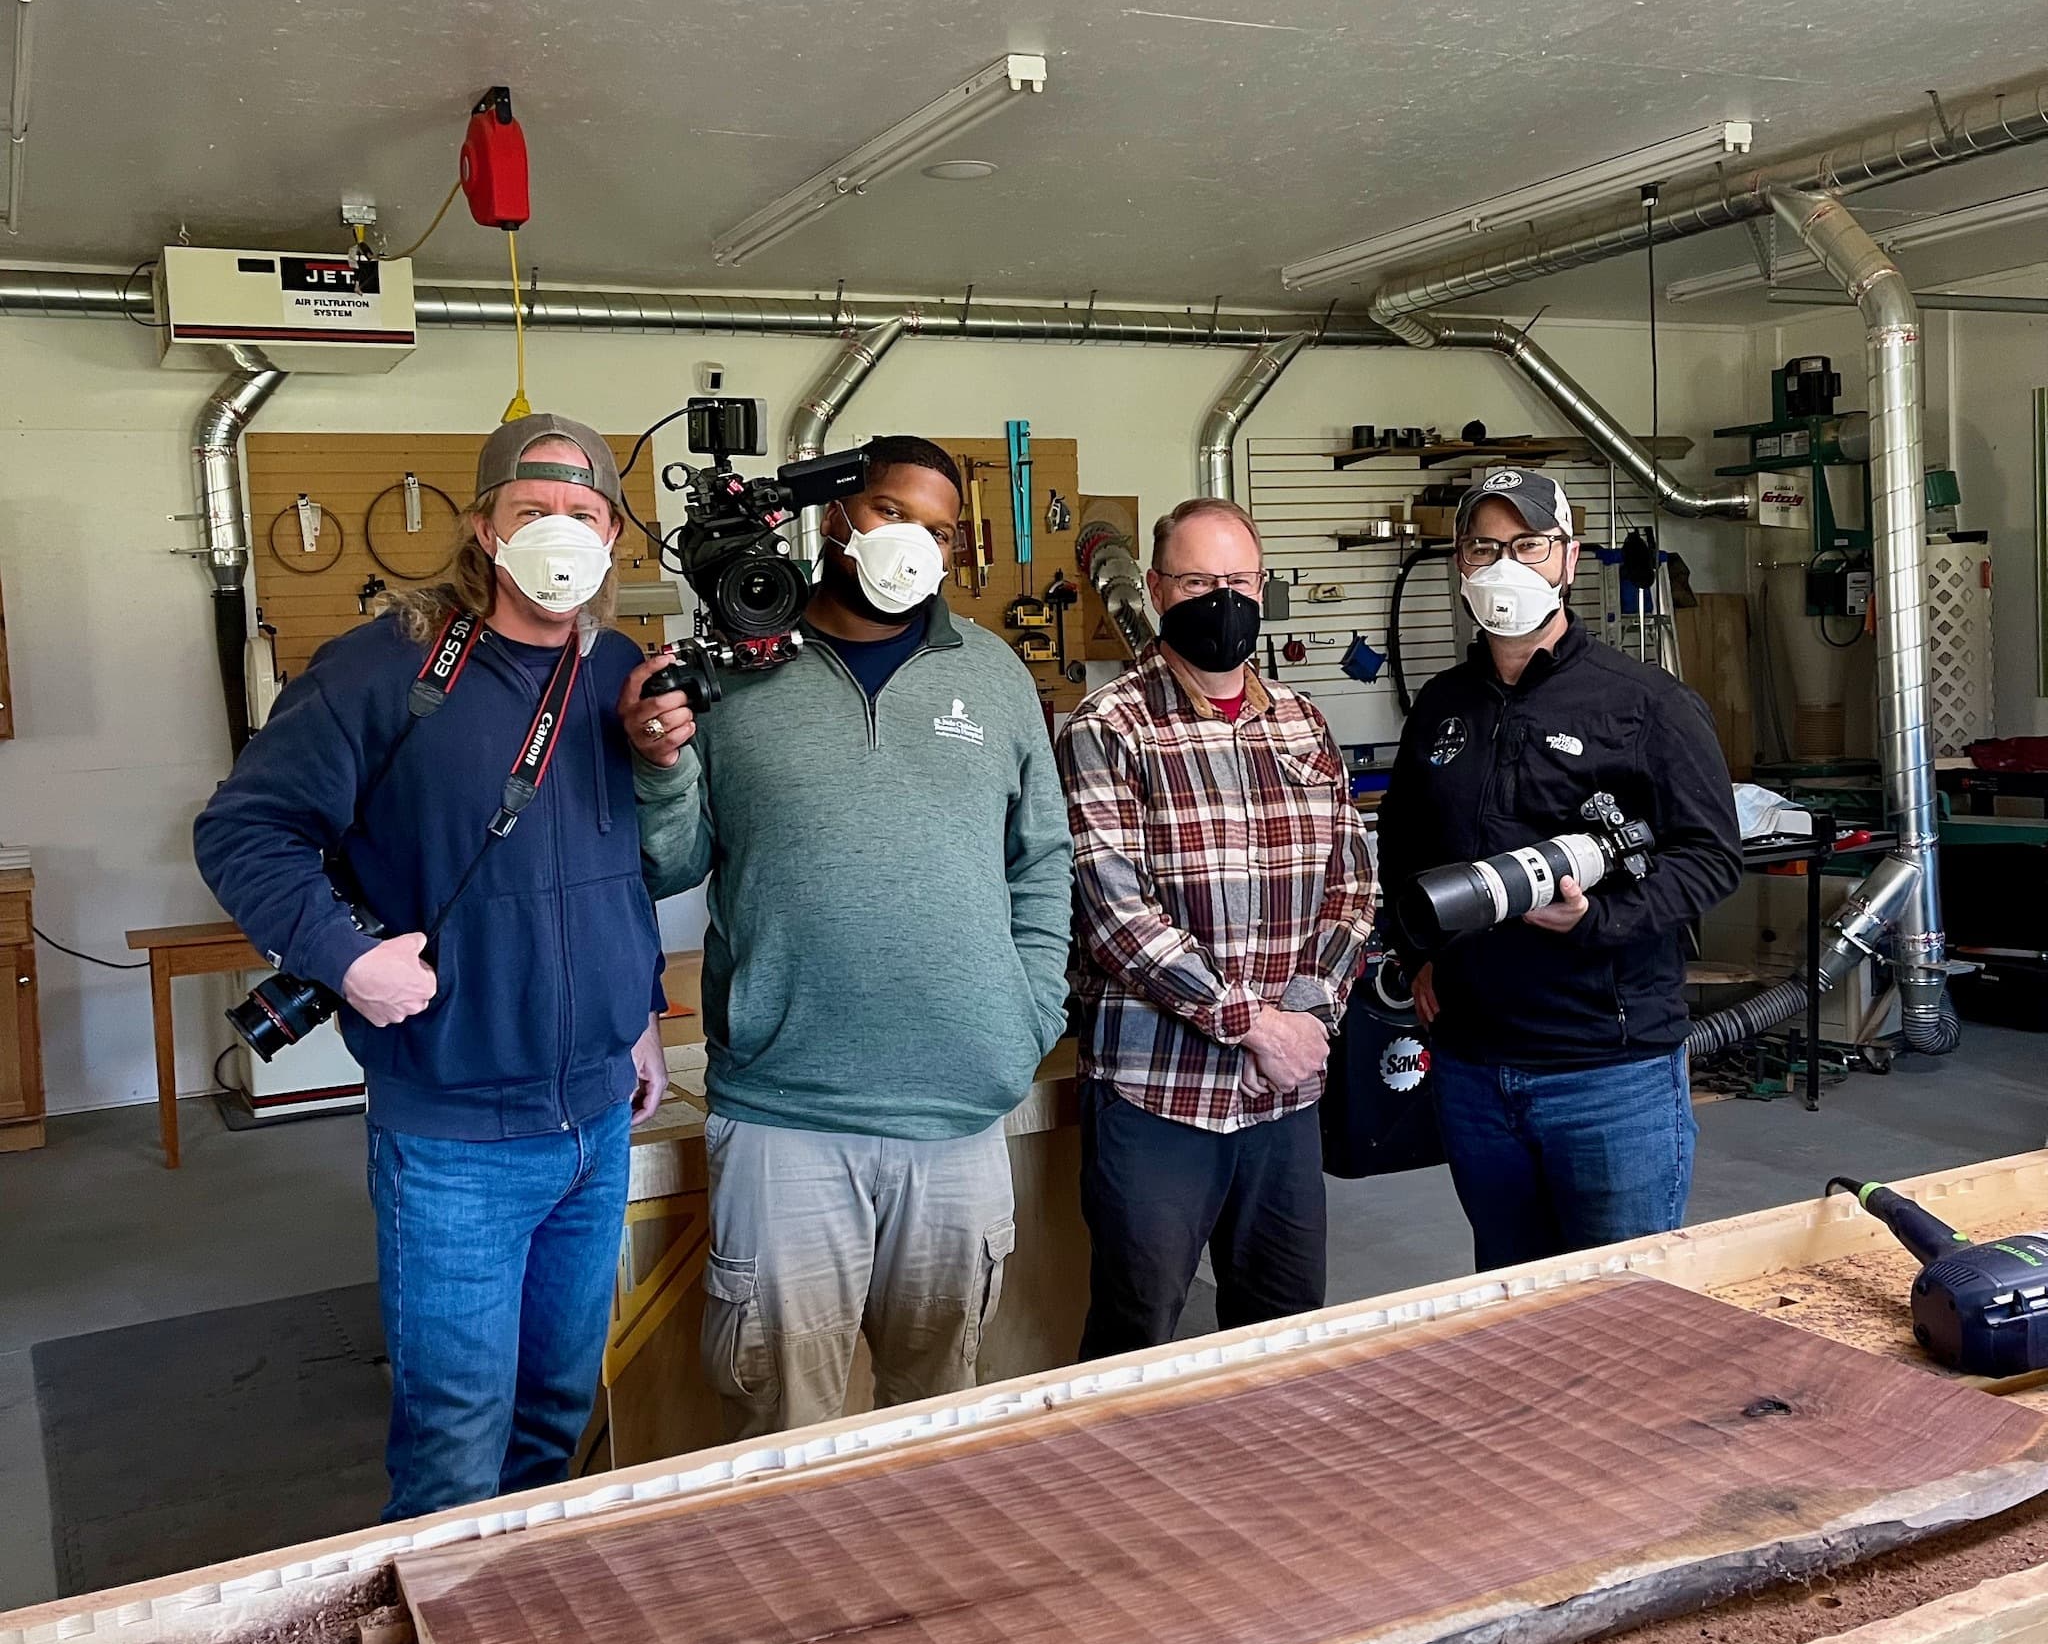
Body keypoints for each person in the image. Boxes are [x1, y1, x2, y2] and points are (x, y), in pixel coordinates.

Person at [194, 415, 670, 1521]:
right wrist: (345, 959)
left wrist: (635, 1009)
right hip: (454, 1128)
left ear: (612, 536)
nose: (561, 532)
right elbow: (245, 831)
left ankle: (517, 1634)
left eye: (585, 514)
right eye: (532, 511)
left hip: (595, 1124)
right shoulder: (382, 667)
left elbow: (614, 867)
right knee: (457, 1426)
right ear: (481, 526)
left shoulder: (618, 674)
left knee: (555, 1406)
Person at [627, 434, 1072, 1439]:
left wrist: (1026, 1010)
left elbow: (1041, 857)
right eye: (890, 513)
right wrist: (658, 767)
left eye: (942, 530)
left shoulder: (994, 675)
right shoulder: (734, 675)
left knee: (935, 1419)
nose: (917, 542)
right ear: (833, 519)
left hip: (957, 1108)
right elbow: (668, 863)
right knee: (788, 1424)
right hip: (787, 1115)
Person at [1376, 468, 1742, 1270]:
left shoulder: (1648, 704)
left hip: (1608, 1073)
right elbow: (1402, 848)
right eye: (1483, 547)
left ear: (1569, 559)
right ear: (1461, 565)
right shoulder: (1441, 706)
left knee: (1624, 1312)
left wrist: (1600, 919)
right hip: (1473, 1069)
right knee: (1509, 1300)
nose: (1504, 565)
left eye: (1527, 545)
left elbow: (1714, 857)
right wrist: (1417, 954)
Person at [1057, 495, 1375, 1358]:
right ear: (1159, 590)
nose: (1220, 597)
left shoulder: (1304, 723)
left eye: (1236, 579)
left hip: (1284, 1097)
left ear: (1262, 586)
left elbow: (1352, 886)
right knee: (1139, 1334)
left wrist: (1309, 1016)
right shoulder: (1108, 727)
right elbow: (1116, 914)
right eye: (1199, 580)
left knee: (1283, 1332)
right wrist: (1255, 1025)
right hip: (1159, 1093)